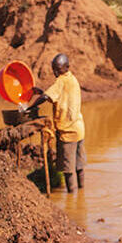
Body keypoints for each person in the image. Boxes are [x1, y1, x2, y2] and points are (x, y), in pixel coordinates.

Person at [25, 53, 86, 193]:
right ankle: (82, 192)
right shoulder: (72, 79)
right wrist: (41, 92)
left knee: (68, 168)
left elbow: (47, 96)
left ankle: (72, 196)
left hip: (68, 132)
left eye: (57, 69)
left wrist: (30, 108)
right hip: (79, 128)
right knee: (79, 164)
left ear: (65, 67)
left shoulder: (60, 82)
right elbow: (56, 95)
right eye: (54, 69)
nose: (55, 72)